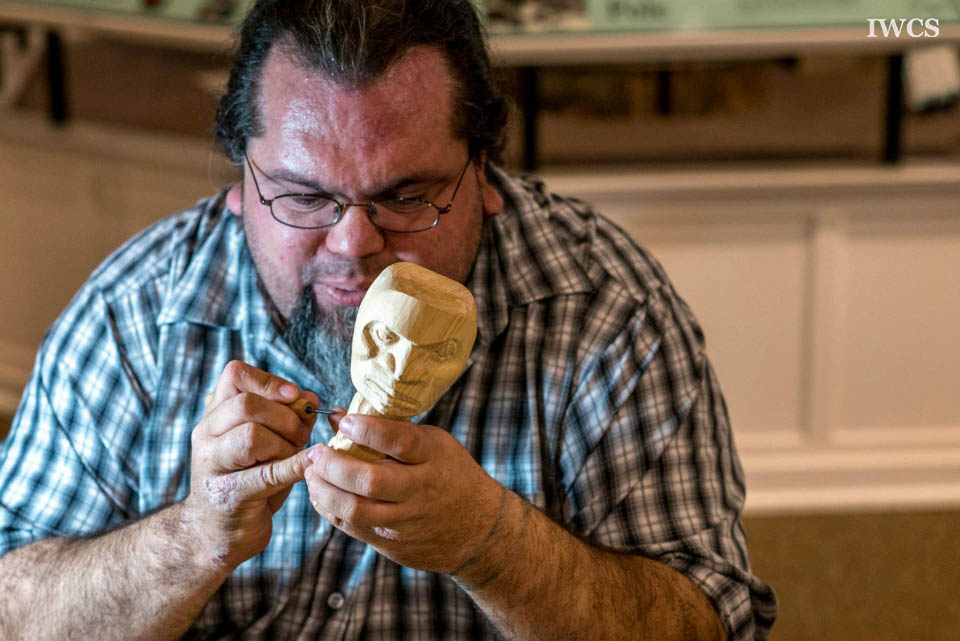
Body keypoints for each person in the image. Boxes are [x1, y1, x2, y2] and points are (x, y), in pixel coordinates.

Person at [0, 1, 777, 639]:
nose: (352, 246)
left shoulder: (605, 310)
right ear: (240, 184)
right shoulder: (138, 311)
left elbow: (711, 624)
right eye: (304, 197)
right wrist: (190, 539)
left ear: (484, 173)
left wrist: (492, 543)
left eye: (406, 197)